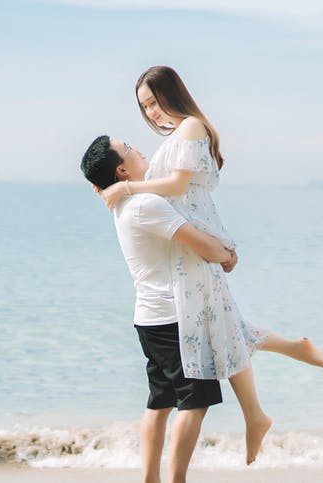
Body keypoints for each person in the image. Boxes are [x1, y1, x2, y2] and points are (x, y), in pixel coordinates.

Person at [100, 66, 323, 465]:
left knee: (226, 330)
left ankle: (260, 410)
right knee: (228, 328)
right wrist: (107, 185)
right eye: (145, 108)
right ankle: (277, 380)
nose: (153, 113)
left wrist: (126, 186)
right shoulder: (177, 136)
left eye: (155, 102)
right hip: (189, 252)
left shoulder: (192, 126)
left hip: (198, 247)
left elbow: (176, 186)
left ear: (172, 94)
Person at [81, 134, 237, 483]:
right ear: (122, 169)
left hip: (150, 319)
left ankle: (149, 479)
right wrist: (226, 254)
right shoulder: (144, 205)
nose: (139, 149)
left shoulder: (125, 203)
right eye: (130, 149)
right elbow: (203, 247)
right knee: (196, 402)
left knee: (160, 401)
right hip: (174, 318)